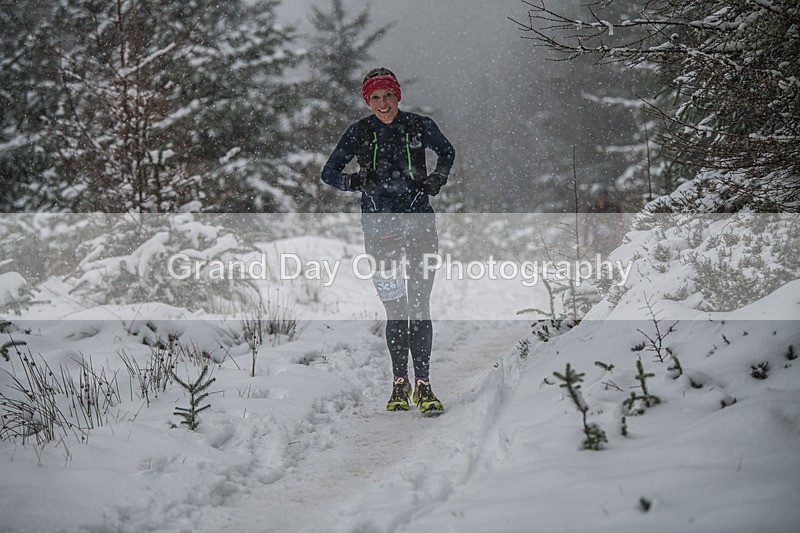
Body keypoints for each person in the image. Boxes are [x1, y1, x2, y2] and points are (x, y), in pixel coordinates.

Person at [321, 67, 455, 413]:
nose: (383, 103)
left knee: (419, 306)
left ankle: (424, 385)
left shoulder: (418, 126)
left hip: (419, 224)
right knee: (396, 310)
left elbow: (447, 151)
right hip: (380, 230)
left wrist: (437, 179)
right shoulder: (360, 132)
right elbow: (328, 172)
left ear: (398, 96)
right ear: (368, 100)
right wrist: (356, 181)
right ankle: (399, 383)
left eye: (388, 95)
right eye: (375, 98)